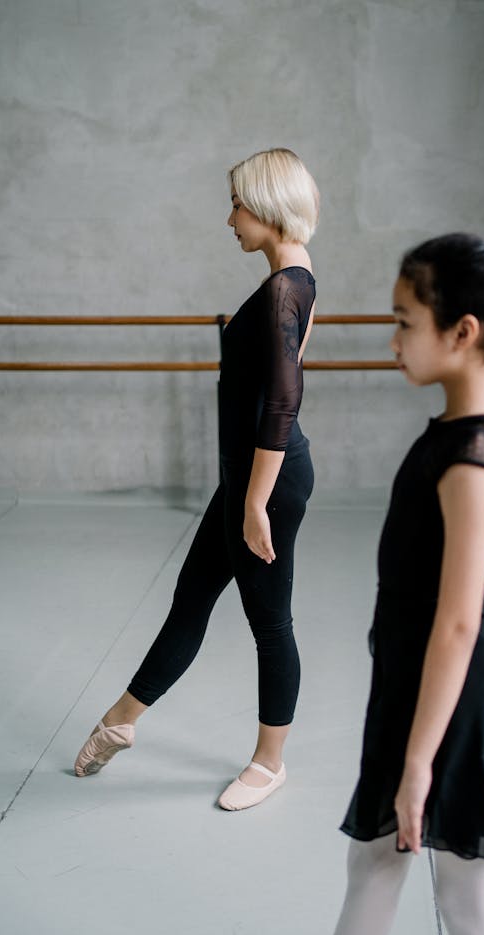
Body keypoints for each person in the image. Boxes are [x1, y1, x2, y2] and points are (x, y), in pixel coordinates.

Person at [294, 233, 484, 935]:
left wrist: (416, 761)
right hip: (424, 674)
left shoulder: (475, 455)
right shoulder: (455, 429)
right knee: (375, 857)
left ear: (462, 331)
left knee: (463, 888)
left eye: (404, 320)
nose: (391, 338)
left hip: (463, 687)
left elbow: (457, 620)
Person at [74, 148, 319, 812]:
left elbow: (282, 402)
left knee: (269, 620)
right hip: (250, 476)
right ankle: (122, 719)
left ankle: (269, 765)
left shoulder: (282, 290)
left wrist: (254, 503)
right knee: (192, 600)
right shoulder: (295, 278)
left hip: (266, 482)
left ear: (266, 207)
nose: (230, 218)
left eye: (237, 203)